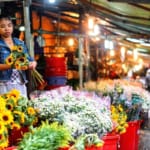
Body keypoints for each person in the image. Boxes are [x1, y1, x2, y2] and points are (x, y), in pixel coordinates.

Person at [0, 14, 37, 97]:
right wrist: (12, 65)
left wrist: (32, 64)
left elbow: (29, 59)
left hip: (20, 82)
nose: (6, 29)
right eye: (2, 26)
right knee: (5, 108)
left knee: (20, 106)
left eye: (9, 25)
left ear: (12, 27)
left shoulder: (19, 43)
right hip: (3, 83)